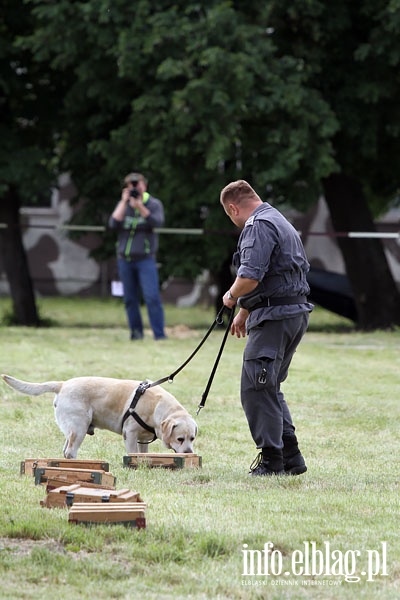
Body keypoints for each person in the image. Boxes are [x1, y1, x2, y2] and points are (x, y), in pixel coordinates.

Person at [220, 180, 313, 476]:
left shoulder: (257, 225)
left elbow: (250, 276)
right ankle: (291, 457)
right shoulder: (278, 219)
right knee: (269, 385)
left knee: (255, 387)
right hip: (292, 311)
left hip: (276, 316)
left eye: (230, 215)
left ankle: (272, 461)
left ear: (233, 208)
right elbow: (276, 271)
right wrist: (246, 310)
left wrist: (232, 297)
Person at [109, 172, 167, 340]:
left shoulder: (153, 204)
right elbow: (113, 223)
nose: (135, 188)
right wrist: (123, 201)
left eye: (138, 184)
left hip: (145, 259)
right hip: (125, 259)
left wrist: (140, 206)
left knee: (152, 297)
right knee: (129, 299)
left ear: (144, 186)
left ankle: (159, 335)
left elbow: (157, 222)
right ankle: (136, 333)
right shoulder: (124, 205)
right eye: (131, 185)